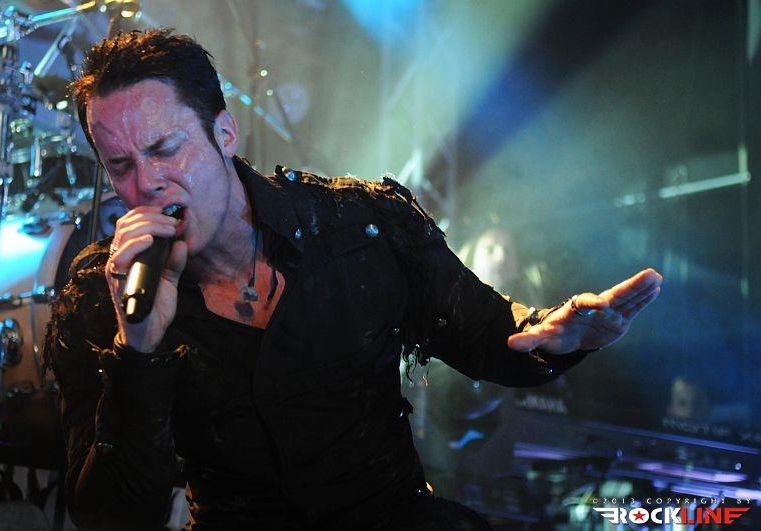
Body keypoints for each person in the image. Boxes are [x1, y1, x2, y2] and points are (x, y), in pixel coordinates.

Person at [44, 29, 663, 530]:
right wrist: (138, 350)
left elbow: (486, 331)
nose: (146, 182)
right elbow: (109, 516)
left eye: (165, 149)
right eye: (120, 165)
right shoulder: (104, 297)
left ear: (224, 134)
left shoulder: (358, 226)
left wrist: (557, 334)